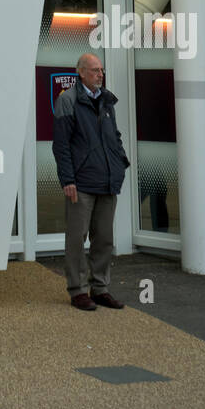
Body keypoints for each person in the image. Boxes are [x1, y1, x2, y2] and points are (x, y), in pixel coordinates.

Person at [52, 52, 130, 310]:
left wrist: (120, 162)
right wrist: (67, 179)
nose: (100, 74)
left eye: (101, 70)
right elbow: (61, 146)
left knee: (104, 238)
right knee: (77, 238)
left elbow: (114, 136)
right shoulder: (68, 101)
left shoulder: (106, 101)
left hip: (107, 180)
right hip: (81, 183)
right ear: (81, 72)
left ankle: (100, 288)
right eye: (95, 70)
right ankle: (77, 290)